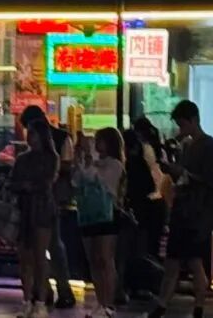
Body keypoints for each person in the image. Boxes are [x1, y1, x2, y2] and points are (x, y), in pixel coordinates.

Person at [147, 101, 213, 318]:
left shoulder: (208, 145)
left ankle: (185, 305)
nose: (181, 129)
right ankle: (174, 304)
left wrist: (181, 173)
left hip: (195, 212)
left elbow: (208, 180)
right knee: (181, 260)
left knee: (190, 260)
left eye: (183, 124)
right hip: (186, 210)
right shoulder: (188, 145)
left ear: (193, 120)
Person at [19, 105, 77, 308]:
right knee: (49, 246)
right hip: (50, 199)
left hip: (51, 200)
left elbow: (68, 166)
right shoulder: (61, 138)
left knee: (49, 246)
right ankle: (50, 289)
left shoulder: (56, 143)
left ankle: (54, 289)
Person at [10, 118, 59, 318]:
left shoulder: (50, 158)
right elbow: (13, 182)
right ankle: (27, 300)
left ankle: (39, 301)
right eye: (28, 133)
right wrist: (24, 186)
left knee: (39, 256)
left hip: (41, 209)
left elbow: (46, 182)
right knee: (25, 258)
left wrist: (26, 185)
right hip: (25, 209)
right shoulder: (22, 159)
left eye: (33, 133)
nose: (29, 137)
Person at [75, 129, 125, 318]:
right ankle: (100, 301)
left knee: (105, 258)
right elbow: (77, 180)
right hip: (87, 213)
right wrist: (80, 158)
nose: (97, 144)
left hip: (106, 214)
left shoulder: (115, 165)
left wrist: (88, 159)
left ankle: (108, 303)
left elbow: (100, 181)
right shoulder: (92, 162)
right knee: (93, 260)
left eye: (100, 140)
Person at [127, 117, 167, 261]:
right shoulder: (157, 148)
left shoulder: (141, 150)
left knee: (142, 244)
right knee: (153, 245)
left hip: (145, 201)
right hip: (157, 198)